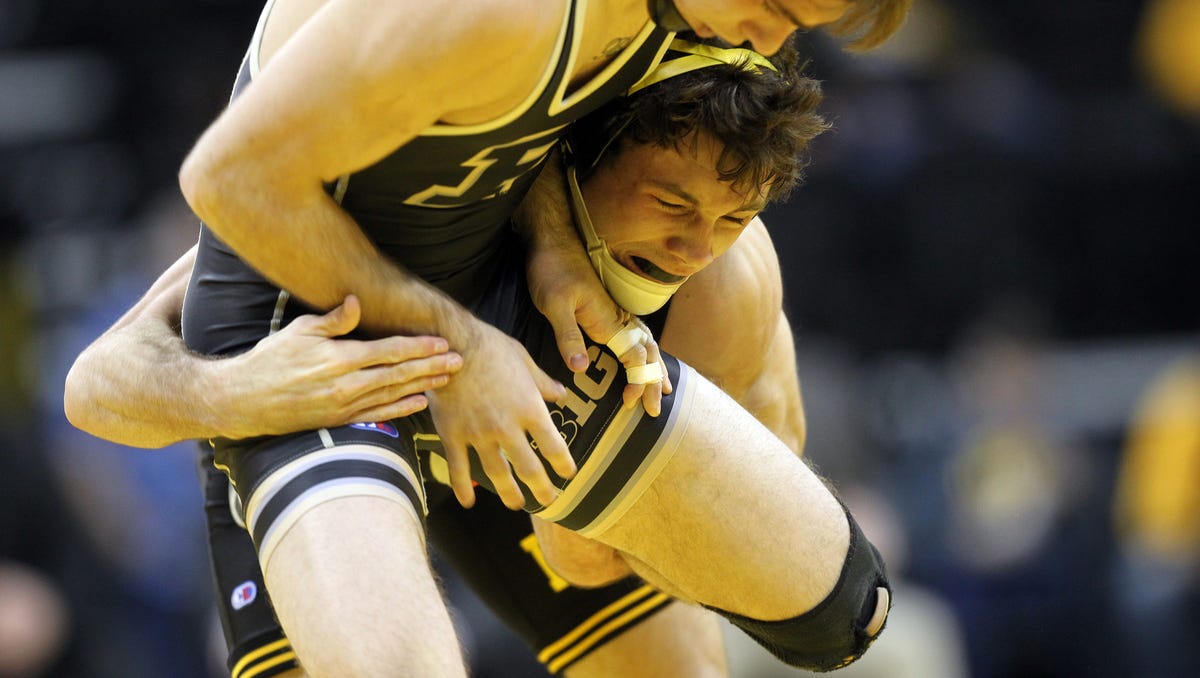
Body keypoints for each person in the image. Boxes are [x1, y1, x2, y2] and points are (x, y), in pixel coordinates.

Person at [72, 0, 911, 673]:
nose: (694, 247)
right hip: (345, 343)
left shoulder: (721, 265)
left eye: (731, 219)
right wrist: (236, 394)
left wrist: (552, 251)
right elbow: (105, 374)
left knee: (844, 614)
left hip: (501, 324)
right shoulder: (503, 28)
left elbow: (653, 546)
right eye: (669, 210)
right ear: (589, 153)